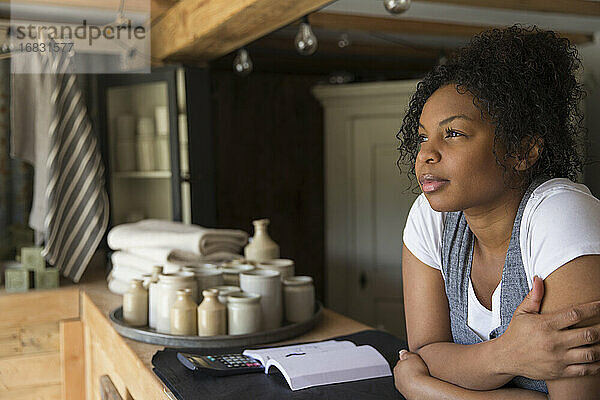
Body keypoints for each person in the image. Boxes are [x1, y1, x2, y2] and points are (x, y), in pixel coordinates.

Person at [393, 25, 600, 399]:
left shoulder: (560, 214)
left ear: (522, 151)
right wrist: (508, 354)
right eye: (423, 136)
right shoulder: (431, 217)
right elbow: (425, 353)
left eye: (453, 133)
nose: (426, 154)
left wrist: (425, 389)